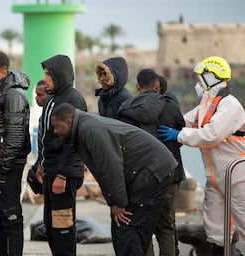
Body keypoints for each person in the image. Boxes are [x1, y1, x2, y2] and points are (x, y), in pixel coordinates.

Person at [51, 102, 176, 256]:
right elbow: (105, 171)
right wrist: (114, 202)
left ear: (69, 122)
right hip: (148, 170)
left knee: (126, 229)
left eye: (57, 126)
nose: (55, 131)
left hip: (152, 171)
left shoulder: (90, 129)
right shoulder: (84, 128)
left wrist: (118, 203)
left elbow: (110, 168)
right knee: (129, 231)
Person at [157, 56, 245, 256]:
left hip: (238, 175)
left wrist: (179, 135)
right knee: (215, 227)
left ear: (211, 77)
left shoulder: (230, 106)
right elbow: (188, 120)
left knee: (243, 218)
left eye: (200, 78)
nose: (197, 82)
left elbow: (212, 135)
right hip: (216, 177)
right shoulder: (207, 103)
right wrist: (173, 126)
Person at [118, 69, 186, 256]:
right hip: (169, 175)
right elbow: (181, 134)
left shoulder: (127, 108)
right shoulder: (171, 106)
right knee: (166, 227)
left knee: (142, 227)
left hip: (141, 178)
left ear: (138, 87)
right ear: (158, 86)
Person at [36, 54, 88, 256]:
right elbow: (47, 136)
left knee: (63, 228)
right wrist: (41, 164)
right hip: (51, 171)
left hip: (63, 175)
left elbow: (74, 142)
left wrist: (63, 175)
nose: (46, 79)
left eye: (49, 75)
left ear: (60, 75)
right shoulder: (52, 98)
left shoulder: (74, 99)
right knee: (50, 228)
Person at [0, 51, 31, 256]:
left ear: (3, 72)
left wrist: (2, 171)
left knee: (10, 218)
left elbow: (15, 138)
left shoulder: (13, 95)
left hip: (7, 167)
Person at [27, 80, 48, 195]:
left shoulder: (52, 116)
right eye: (35, 94)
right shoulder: (43, 116)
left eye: (40, 95)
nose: (36, 98)